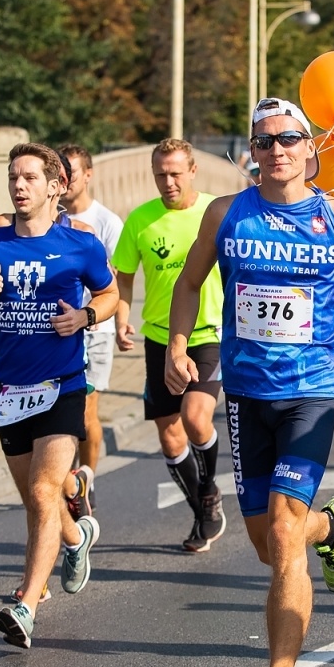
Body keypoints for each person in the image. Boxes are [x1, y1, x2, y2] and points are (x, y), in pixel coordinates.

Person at [165, 97, 334, 667]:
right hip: (247, 394)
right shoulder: (226, 214)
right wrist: (176, 345)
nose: (276, 150)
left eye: (288, 139)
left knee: (281, 534)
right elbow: (190, 282)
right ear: (252, 150)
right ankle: (332, 527)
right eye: (264, 140)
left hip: (312, 390)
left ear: (310, 148)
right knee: (266, 544)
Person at [0, 143, 114, 648]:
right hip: (8, 390)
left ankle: (26, 604)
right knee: (35, 498)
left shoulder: (81, 245)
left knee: (45, 492)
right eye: (13, 177)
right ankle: (77, 537)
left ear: (54, 186)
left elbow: (110, 294)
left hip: (62, 386)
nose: (19, 186)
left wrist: (85, 316)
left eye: (29, 177)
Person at [112, 138, 227, 552]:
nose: (168, 181)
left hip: (208, 334)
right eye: (160, 174)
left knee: (196, 419)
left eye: (176, 173)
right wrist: (122, 317)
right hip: (159, 337)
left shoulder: (216, 212)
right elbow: (124, 277)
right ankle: (201, 509)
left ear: (193, 170)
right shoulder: (140, 220)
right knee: (171, 438)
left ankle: (209, 491)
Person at [58, 144, 124, 495]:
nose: (66, 179)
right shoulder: (47, 221)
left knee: (85, 412)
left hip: (94, 328)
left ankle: (86, 484)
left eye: (72, 172)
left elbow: (116, 281)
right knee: (57, 414)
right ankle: (64, 482)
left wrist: (116, 320)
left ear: (88, 175)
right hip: (55, 331)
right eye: (60, 172)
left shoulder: (106, 222)